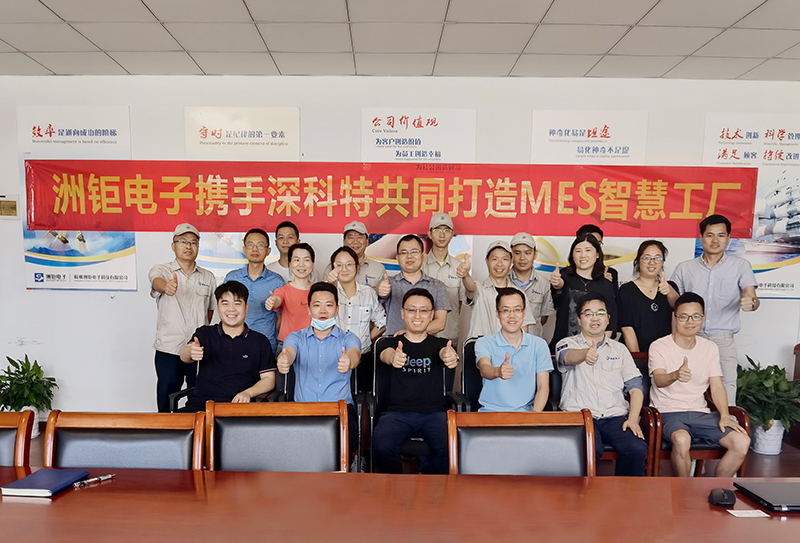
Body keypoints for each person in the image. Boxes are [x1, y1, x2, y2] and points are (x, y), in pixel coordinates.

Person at [649, 292, 750, 477]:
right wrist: (675, 375)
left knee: (742, 442)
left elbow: (717, 386)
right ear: (674, 317)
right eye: (684, 316)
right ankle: (684, 490)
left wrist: (725, 415)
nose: (690, 321)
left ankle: (716, 488)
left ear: (703, 318)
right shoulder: (659, 346)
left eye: (696, 316)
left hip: (701, 413)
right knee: (681, 439)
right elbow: (659, 380)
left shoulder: (709, 348)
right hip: (668, 412)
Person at [555, 292, 648, 477]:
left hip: (615, 416)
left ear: (608, 319)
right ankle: (585, 494)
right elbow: (567, 357)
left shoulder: (620, 349)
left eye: (600, 313)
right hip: (580, 416)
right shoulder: (566, 343)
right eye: (588, 314)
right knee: (590, 449)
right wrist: (585, 354)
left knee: (636, 448)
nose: (595, 318)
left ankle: (624, 492)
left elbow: (636, 387)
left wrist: (632, 418)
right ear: (579, 320)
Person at [670, 214, 758, 404]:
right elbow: (675, 304)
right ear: (701, 238)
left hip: (723, 339)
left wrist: (751, 302)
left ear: (728, 238)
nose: (715, 240)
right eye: (710, 235)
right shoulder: (685, 268)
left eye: (721, 235)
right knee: (687, 383)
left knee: (726, 384)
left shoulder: (740, 266)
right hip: (690, 337)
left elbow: (751, 296)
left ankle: (727, 421)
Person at [374, 288, 459, 474]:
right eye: (412, 310)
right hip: (396, 414)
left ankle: (431, 485)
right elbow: (385, 355)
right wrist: (393, 358)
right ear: (402, 313)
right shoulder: (389, 343)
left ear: (432, 315)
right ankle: (396, 485)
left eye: (424, 310)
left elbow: (445, 353)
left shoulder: (441, 344)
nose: (417, 315)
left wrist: (450, 356)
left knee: (449, 448)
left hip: (434, 414)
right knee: (381, 447)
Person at [276, 282, 362, 457]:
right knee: (296, 454)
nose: (323, 311)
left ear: (337, 309)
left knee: (345, 448)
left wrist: (349, 362)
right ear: (308, 309)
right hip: (304, 410)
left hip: (339, 410)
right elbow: (289, 352)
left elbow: (354, 353)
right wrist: (284, 360)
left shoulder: (348, 338)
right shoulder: (295, 337)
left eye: (328, 305)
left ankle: (351, 465)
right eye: (317, 305)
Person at [149, 223, 217, 413]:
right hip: (169, 348)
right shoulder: (162, 270)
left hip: (197, 350)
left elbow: (209, 311)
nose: (188, 246)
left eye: (193, 242)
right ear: (173, 246)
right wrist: (165, 286)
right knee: (166, 398)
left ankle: (196, 431)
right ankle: (165, 430)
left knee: (198, 399)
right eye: (183, 241)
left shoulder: (208, 277)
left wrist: (200, 334)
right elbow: (156, 282)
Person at [178, 281, 276, 412]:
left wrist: (248, 393)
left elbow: (269, 379)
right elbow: (184, 356)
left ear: (246, 307)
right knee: (172, 423)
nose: (231, 309)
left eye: (237, 303)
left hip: (241, 407)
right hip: (203, 406)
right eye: (225, 303)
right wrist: (190, 352)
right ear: (218, 307)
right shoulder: (205, 333)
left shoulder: (260, 341)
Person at [476, 288, 552, 412]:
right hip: (491, 413)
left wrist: (534, 417)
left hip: (527, 414)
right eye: (505, 310)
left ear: (524, 312)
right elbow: (484, 369)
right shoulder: (484, 342)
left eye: (517, 309)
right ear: (497, 313)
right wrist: (498, 371)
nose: (512, 315)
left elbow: (543, 386)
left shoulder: (539, 344)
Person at [330, 246, 387, 392]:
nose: (344, 269)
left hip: (363, 357)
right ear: (333, 268)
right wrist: (329, 286)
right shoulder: (328, 293)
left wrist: (367, 338)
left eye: (349, 264)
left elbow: (382, 321)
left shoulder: (368, 293)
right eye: (339, 265)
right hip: (333, 358)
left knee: (362, 398)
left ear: (357, 267)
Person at [550, 234, 617, 351]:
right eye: (578, 251)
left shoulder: (605, 284)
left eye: (588, 250)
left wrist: (600, 349)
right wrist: (558, 286)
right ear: (572, 255)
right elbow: (557, 301)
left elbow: (611, 321)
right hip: (564, 346)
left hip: (596, 348)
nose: (583, 255)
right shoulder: (564, 276)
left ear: (597, 254)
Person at [224, 228, 285, 353]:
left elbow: (280, 318)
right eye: (250, 245)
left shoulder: (277, 281)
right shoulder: (232, 278)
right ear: (244, 249)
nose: (255, 249)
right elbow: (224, 311)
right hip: (234, 343)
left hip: (266, 345)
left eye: (260, 245)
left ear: (268, 251)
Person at [377, 234, 451, 336]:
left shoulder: (437, 286)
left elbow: (440, 324)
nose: (409, 256)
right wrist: (380, 291)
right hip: (393, 341)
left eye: (414, 251)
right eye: (404, 252)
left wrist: (409, 333)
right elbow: (379, 295)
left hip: (425, 343)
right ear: (397, 258)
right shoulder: (389, 283)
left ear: (423, 256)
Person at [422, 213, 476, 347]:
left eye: (446, 230)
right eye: (437, 230)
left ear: (452, 235)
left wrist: (466, 276)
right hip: (420, 336)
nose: (442, 235)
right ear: (429, 234)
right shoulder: (420, 265)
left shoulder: (460, 267)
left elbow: (465, 299)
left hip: (448, 336)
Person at [618, 240, 679, 353]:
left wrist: (670, 291)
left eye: (658, 258)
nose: (652, 262)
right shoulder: (626, 290)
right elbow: (627, 327)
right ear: (638, 260)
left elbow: (680, 311)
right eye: (647, 258)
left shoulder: (670, 287)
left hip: (665, 353)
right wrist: (637, 357)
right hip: (637, 352)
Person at [467, 241, 535, 339]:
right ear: (487, 261)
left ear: (511, 261)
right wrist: (465, 275)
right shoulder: (479, 288)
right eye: (494, 259)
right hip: (478, 345)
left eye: (504, 259)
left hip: (509, 346)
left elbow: (524, 328)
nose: (499, 264)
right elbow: (470, 288)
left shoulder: (519, 294)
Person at [265, 242, 315, 345]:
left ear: (312, 264)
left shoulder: (319, 291)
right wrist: (272, 302)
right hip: (288, 345)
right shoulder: (282, 291)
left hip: (314, 344)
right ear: (290, 264)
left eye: (306, 260)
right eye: (296, 260)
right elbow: (277, 300)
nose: (301, 264)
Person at [509, 232, 554, 339]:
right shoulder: (502, 281)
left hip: (533, 342)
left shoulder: (544, 284)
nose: (522, 258)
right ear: (511, 255)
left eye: (527, 253)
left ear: (535, 254)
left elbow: (543, 318)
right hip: (505, 342)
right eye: (517, 253)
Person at [323, 221, 387, 287]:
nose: (355, 241)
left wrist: (381, 292)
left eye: (360, 237)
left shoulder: (378, 269)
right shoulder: (331, 268)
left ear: (367, 241)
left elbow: (384, 292)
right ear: (344, 242)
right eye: (351, 237)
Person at [576, 224, 619, 289]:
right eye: (590, 243)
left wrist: (607, 285)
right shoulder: (566, 274)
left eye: (598, 243)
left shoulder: (610, 273)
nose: (595, 247)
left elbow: (614, 295)